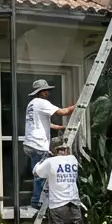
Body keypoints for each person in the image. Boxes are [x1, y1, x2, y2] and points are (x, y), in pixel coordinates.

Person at [32, 138, 89, 224]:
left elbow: (36, 173)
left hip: (58, 206)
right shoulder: (73, 160)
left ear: (53, 150)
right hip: (74, 205)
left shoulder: (51, 162)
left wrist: (44, 158)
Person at [22, 79, 76, 209]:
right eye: (46, 91)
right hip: (38, 143)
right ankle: (37, 201)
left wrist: (59, 127)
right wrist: (77, 106)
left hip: (30, 143)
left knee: (39, 171)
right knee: (41, 174)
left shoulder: (32, 104)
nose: (48, 93)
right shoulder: (42, 103)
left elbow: (45, 123)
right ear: (40, 92)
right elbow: (62, 112)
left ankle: (38, 199)